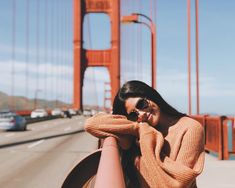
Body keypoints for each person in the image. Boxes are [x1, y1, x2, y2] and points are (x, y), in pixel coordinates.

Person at [85, 80, 205, 188]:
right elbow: (91, 124)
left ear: (151, 96)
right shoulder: (140, 131)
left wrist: (146, 136)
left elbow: (177, 183)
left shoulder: (190, 128)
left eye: (141, 104)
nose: (141, 114)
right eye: (133, 114)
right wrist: (137, 127)